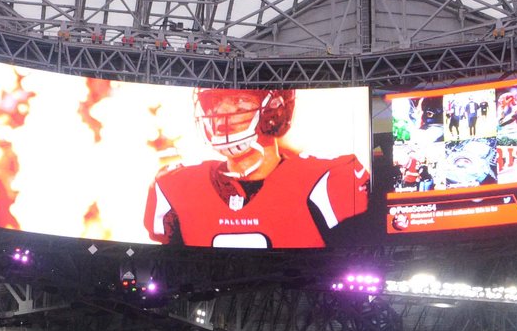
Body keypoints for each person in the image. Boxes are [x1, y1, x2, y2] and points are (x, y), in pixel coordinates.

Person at [143, 87, 368, 249]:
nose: (222, 112)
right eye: (215, 101)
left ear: (275, 109)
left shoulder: (326, 180)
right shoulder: (175, 185)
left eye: (240, 100)